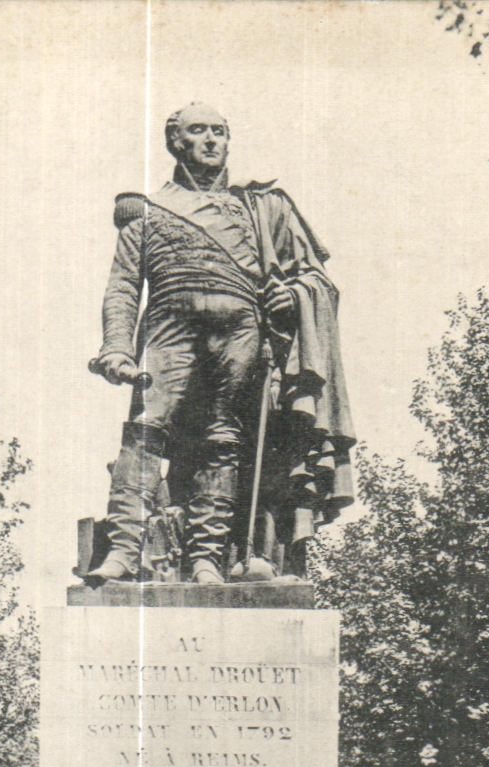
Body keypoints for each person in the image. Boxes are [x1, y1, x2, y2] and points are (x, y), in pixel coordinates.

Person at [88, 102, 355, 586]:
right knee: (145, 429)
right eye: (198, 131)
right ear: (176, 142)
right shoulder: (144, 213)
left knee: (222, 438)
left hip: (241, 331)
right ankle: (124, 550)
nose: (211, 140)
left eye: (219, 131)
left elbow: (309, 276)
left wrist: (289, 296)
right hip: (169, 324)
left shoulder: (256, 208)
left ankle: (207, 558)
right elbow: (124, 286)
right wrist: (116, 349)